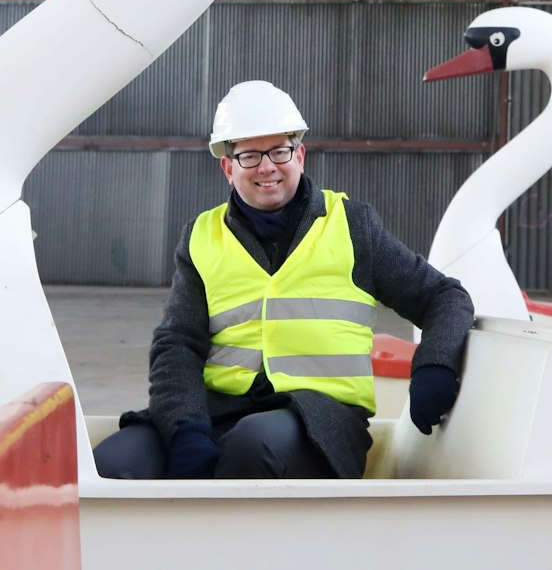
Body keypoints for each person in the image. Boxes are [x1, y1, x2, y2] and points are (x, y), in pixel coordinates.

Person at [94, 79, 473, 480]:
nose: (267, 167)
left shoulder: (352, 226)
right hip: (219, 409)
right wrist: (186, 427)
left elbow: (444, 297)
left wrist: (434, 365)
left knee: (253, 444)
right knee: (115, 463)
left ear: (300, 156)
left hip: (322, 419)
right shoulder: (202, 236)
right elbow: (177, 343)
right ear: (228, 167)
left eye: (279, 151)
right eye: (250, 156)